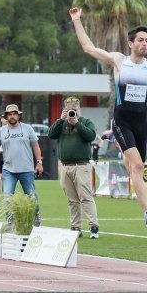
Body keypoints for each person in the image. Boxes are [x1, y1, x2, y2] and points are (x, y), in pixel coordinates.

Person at [69, 6, 147, 228]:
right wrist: (77, 20)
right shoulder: (119, 60)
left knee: (132, 166)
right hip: (122, 121)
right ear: (130, 43)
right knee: (138, 166)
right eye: (140, 40)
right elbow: (88, 48)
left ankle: (117, 143)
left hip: (141, 123)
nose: (144, 44)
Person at [49, 96, 100, 238]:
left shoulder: (86, 122)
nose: (72, 112)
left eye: (75, 108)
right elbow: (51, 134)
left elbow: (90, 136)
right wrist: (60, 119)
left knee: (85, 196)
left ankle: (93, 226)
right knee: (71, 199)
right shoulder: (62, 123)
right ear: (65, 110)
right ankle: (75, 227)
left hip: (81, 165)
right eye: (69, 109)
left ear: (79, 109)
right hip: (65, 166)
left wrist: (76, 123)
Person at [0, 104, 43, 227]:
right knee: (8, 196)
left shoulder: (27, 128)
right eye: (10, 114)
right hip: (8, 170)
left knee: (31, 196)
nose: (12, 116)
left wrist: (39, 162)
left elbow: (35, 145)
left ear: (19, 116)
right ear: (6, 116)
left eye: (14, 114)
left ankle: (36, 215)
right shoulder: (1, 131)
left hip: (27, 169)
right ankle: (10, 221)